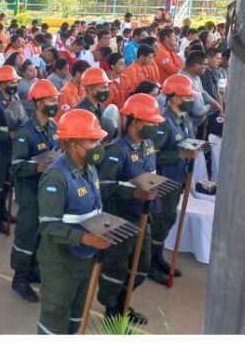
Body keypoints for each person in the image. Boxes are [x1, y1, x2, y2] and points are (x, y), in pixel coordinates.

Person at [36, 109, 111, 335]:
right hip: (61, 263)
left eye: (98, 139)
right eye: (91, 140)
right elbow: (48, 226)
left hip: (85, 258)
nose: (98, 145)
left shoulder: (90, 169)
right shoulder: (56, 177)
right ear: (72, 143)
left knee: (76, 319)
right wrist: (86, 238)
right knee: (55, 320)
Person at [96, 93, 165, 325]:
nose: (155, 127)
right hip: (119, 220)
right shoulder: (116, 151)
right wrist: (133, 192)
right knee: (115, 268)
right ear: (136, 122)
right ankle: (112, 311)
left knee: (141, 267)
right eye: (151, 122)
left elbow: (150, 176)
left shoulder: (147, 145)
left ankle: (124, 302)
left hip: (143, 217)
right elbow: (104, 187)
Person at [9, 80, 60, 303]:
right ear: (39, 103)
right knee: (26, 237)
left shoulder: (54, 127)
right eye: (51, 100)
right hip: (30, 195)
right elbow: (16, 166)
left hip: (47, 194)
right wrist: (37, 167)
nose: (55, 104)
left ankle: (32, 268)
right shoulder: (25, 133)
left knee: (40, 235)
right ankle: (19, 277)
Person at [148, 74, 200, 285]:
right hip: (163, 181)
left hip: (178, 177)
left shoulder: (184, 119)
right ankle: (150, 263)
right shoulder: (163, 123)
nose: (191, 100)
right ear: (175, 98)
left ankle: (158, 257)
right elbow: (153, 154)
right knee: (160, 221)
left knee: (169, 219)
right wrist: (180, 155)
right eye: (187, 96)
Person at [0, 65, 28, 233]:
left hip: (13, 151)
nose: (14, 85)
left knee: (7, 185)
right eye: (11, 82)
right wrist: (9, 135)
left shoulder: (16, 101)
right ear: (2, 84)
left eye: (15, 81)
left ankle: (3, 211)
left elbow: (23, 120)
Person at [179, 50, 223, 133]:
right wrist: (210, 106)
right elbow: (197, 111)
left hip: (198, 123)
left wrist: (215, 103)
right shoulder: (185, 80)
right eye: (204, 65)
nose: (206, 67)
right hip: (190, 125)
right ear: (195, 65)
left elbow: (203, 92)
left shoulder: (196, 76)